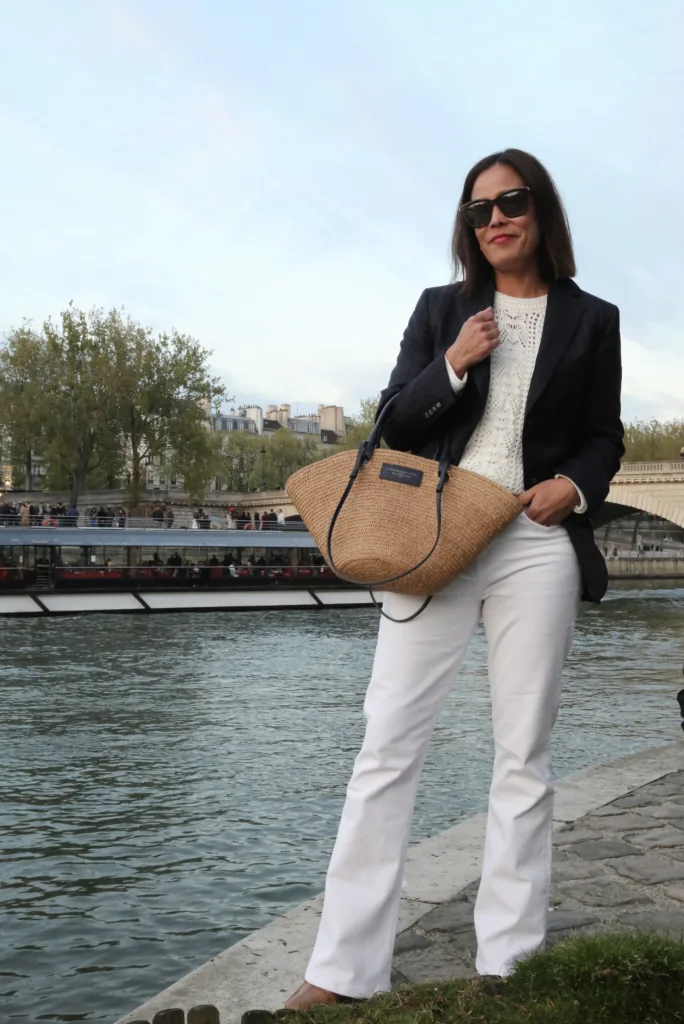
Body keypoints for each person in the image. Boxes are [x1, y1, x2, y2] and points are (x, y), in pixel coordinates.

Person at [283, 149, 624, 1013]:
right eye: (479, 210)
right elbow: (392, 422)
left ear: (541, 210)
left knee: (524, 756)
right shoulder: (444, 311)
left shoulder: (593, 319)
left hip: (534, 541)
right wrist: (456, 364)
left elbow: (603, 434)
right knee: (387, 748)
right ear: (468, 227)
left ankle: (508, 963)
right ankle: (341, 969)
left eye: (511, 201)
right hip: (429, 538)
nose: (496, 218)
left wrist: (575, 485)